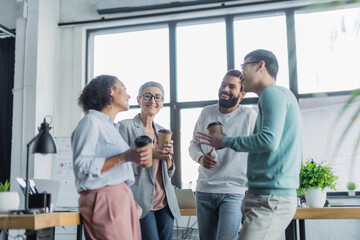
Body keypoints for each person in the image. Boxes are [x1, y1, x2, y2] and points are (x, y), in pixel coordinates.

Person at [196, 49, 302, 240]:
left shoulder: (273, 94)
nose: (241, 72)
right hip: (264, 196)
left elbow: (269, 141)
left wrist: (225, 141)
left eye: (243, 66)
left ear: (260, 65)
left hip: (271, 197)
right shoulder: (273, 96)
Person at [71, 75, 151, 240]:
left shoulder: (111, 128)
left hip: (119, 200)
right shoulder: (91, 122)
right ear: (110, 91)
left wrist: (128, 199)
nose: (128, 95)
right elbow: (83, 167)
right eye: (123, 89)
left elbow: (113, 168)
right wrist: (124, 157)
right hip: (105, 200)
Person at [189, 69, 257, 240]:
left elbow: (259, 149)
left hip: (233, 190)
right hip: (204, 189)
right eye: (223, 84)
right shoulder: (207, 112)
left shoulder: (249, 116)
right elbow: (193, 145)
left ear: (241, 94)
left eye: (231, 87)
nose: (225, 89)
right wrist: (200, 158)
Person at [118, 81, 181, 240]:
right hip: (140, 200)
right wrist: (150, 153)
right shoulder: (125, 127)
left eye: (157, 97)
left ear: (161, 104)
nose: (152, 100)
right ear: (139, 100)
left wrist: (168, 158)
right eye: (148, 96)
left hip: (165, 201)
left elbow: (169, 172)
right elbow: (119, 165)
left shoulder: (162, 130)